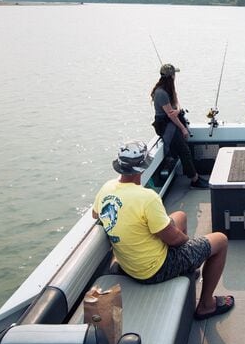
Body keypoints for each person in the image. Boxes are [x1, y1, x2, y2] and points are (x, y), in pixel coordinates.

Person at [93, 139, 234, 320]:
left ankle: (186, 266)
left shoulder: (107, 188)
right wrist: (188, 244)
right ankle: (206, 305)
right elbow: (175, 240)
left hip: (128, 265)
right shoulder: (146, 198)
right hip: (153, 270)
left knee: (180, 216)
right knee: (220, 240)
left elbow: (96, 215)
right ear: (142, 168)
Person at [151, 63, 209, 189]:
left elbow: (176, 107)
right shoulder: (161, 93)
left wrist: (177, 109)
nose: (175, 76)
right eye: (174, 74)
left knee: (185, 150)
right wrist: (183, 128)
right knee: (184, 151)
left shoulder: (168, 90)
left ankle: (195, 177)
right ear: (171, 76)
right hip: (166, 126)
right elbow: (170, 115)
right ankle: (194, 180)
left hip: (171, 122)